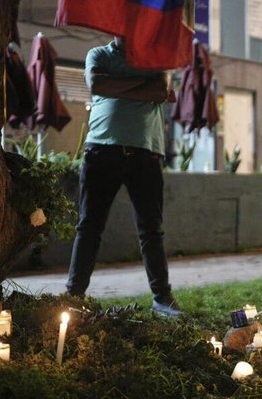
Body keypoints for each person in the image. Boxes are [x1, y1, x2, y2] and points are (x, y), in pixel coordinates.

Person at [66, 36, 181, 317]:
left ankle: (162, 298)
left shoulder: (157, 55)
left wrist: (118, 85)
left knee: (151, 229)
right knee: (89, 226)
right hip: (101, 149)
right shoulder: (99, 54)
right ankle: (73, 296)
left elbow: (160, 89)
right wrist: (142, 86)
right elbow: (97, 85)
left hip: (145, 152)